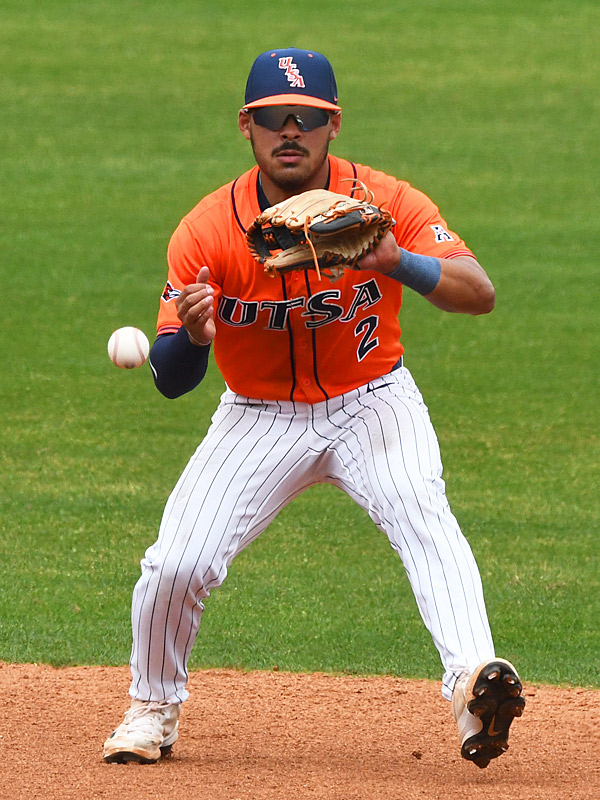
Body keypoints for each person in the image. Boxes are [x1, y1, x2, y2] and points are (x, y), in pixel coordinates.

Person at [103, 47, 525, 769]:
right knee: (178, 563)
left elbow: (477, 291)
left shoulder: (383, 201)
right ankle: (152, 705)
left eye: (309, 118)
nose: (290, 129)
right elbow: (171, 380)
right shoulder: (206, 230)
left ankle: (473, 691)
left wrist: (397, 262)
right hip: (258, 415)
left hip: (374, 400)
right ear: (248, 126)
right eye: (274, 117)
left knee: (423, 516)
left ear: (334, 125)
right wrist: (197, 340)